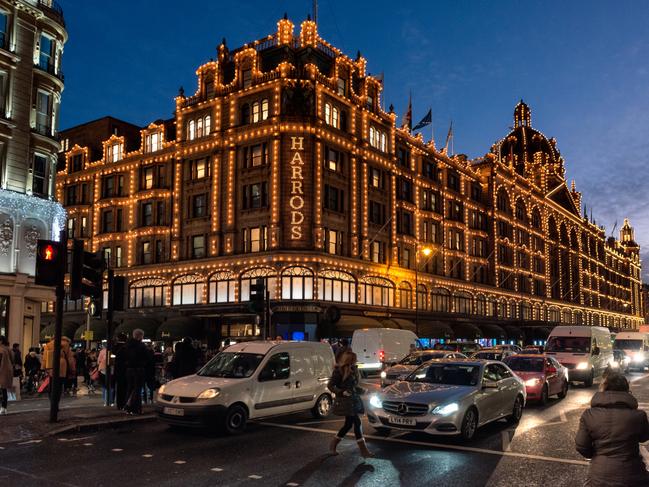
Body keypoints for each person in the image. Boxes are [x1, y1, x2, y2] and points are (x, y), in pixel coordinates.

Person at [575, 372, 649, 487]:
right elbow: (644, 437)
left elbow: (581, 445)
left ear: (603, 388)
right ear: (626, 389)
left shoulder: (589, 415)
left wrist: (597, 456)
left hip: (599, 475)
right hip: (633, 474)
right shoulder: (639, 416)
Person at [328, 351, 373, 458]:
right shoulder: (338, 371)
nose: (355, 361)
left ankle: (333, 444)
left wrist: (363, 390)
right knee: (357, 423)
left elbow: (353, 387)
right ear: (349, 360)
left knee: (348, 424)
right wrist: (341, 392)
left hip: (353, 401)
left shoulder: (353, 370)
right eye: (353, 360)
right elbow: (330, 385)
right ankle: (364, 450)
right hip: (345, 402)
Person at [123, 329, 150, 415]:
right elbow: (147, 357)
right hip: (138, 369)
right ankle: (136, 408)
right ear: (140, 336)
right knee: (137, 389)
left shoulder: (127, 345)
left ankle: (128, 407)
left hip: (129, 369)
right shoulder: (141, 346)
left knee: (130, 388)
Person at [113, 333, 128, 409]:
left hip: (118, 370)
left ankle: (119, 404)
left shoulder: (115, 347)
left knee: (119, 389)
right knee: (125, 389)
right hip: (126, 370)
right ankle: (124, 403)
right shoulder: (127, 347)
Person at [0, 336, 13, 414]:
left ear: (1, 341)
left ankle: (2, 408)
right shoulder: (9, 349)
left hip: (1, 371)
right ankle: (4, 407)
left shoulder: (1, 349)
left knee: (2, 390)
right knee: (4, 390)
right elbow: (13, 360)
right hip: (7, 371)